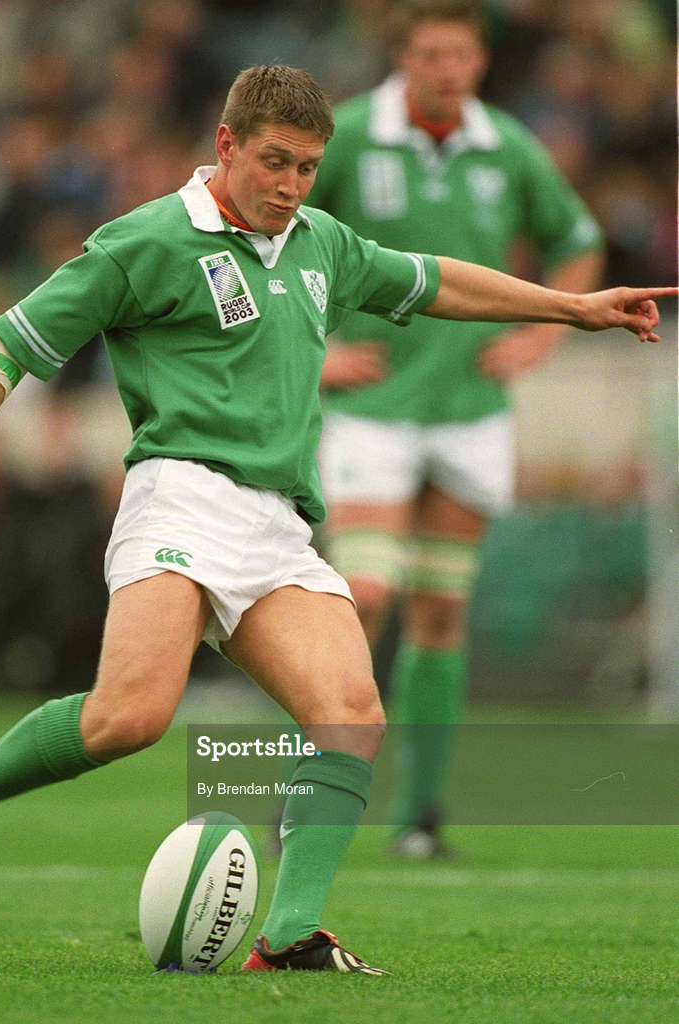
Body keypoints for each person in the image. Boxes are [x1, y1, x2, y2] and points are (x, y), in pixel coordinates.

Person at [0, 65, 670, 974]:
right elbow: (10, 344)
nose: (291, 186)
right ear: (226, 145)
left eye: (307, 168)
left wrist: (570, 308)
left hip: (278, 524)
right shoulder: (145, 240)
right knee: (128, 719)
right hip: (181, 497)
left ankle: (289, 935)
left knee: (349, 713)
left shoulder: (321, 242)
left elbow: (431, 282)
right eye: (274, 162)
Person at [307, 0, 606, 858]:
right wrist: (314, 349)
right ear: (402, 59)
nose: (446, 70)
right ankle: (314, 799)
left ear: (479, 62)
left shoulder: (504, 144)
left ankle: (420, 818)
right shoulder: (349, 135)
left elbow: (576, 240)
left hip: (468, 411)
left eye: (460, 55)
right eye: (430, 54)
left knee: (439, 613)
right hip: (372, 409)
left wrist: (539, 339)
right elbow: (272, 235)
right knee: (362, 598)